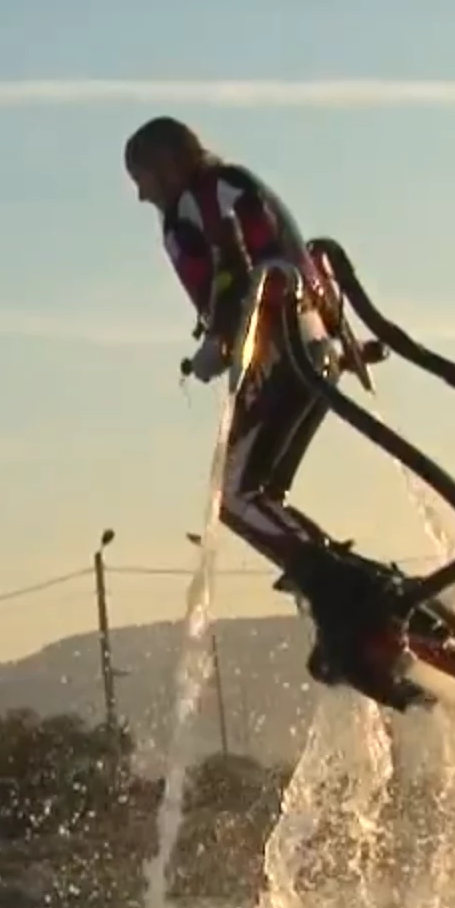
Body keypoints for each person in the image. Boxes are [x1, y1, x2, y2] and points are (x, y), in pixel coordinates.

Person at [124, 115, 356, 588]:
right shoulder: (221, 189)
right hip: (313, 348)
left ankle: (333, 581)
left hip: (284, 353)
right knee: (263, 493)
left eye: (142, 179)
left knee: (232, 496)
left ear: (167, 165)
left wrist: (220, 338)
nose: (142, 196)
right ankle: (339, 580)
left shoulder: (206, 196)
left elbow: (247, 266)